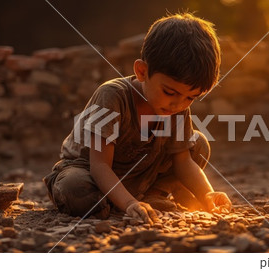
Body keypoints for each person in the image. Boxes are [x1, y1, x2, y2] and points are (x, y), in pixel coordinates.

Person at [43, 12, 232, 225]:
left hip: (141, 175)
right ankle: (127, 202)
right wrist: (130, 203)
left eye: (191, 97)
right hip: (90, 172)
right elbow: (100, 166)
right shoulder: (113, 96)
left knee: (198, 145)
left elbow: (183, 162)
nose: (178, 104)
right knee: (75, 188)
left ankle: (152, 196)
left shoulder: (177, 107)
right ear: (142, 71)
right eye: (170, 92)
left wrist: (207, 194)